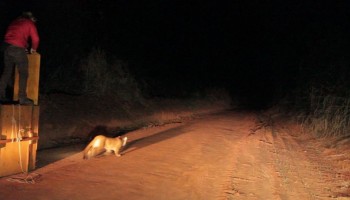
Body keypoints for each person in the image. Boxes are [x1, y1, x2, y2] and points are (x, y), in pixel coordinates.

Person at [0, 11, 39, 105]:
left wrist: (25, 46)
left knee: (7, 72)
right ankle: (22, 98)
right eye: (34, 20)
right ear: (30, 18)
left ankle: (1, 95)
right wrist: (33, 49)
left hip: (6, 47)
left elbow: (15, 36)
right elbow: (36, 39)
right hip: (17, 49)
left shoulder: (15, 22)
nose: (34, 22)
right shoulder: (29, 23)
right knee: (23, 73)